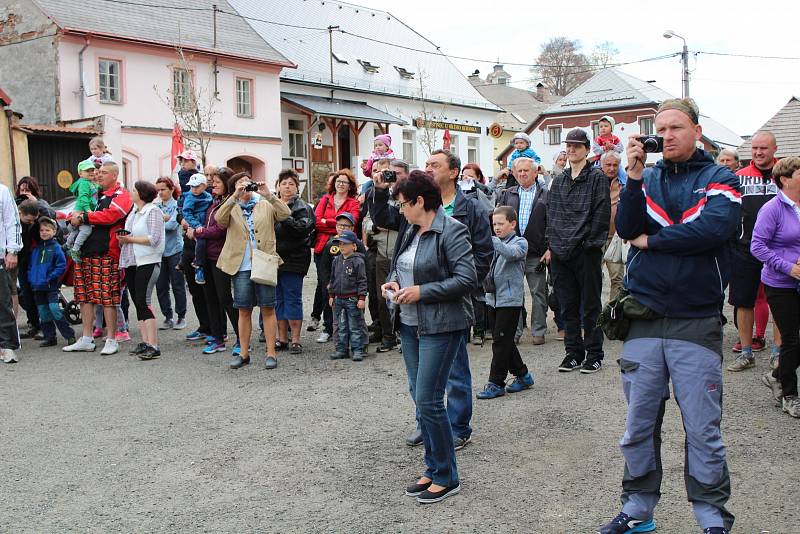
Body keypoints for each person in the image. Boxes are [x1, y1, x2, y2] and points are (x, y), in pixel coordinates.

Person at [598, 98, 739, 534]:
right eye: (661, 128)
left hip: (695, 320)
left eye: (677, 127)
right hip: (643, 318)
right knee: (638, 426)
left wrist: (655, 242)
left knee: (702, 430)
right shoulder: (648, 176)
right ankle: (638, 509)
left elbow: (714, 229)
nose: (668, 135)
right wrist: (635, 176)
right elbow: (627, 228)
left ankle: (712, 517)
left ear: (697, 130)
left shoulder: (720, 177)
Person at [370, 149, 492, 450]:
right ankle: (428, 423)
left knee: (456, 372)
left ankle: (458, 427)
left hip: (448, 308)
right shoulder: (412, 217)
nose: (428, 168)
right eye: (426, 164)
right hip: (413, 313)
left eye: (434, 165)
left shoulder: (469, 209)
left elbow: (481, 257)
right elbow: (398, 246)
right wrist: (379, 188)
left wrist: (453, 286)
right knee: (420, 382)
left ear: (453, 172)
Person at [381, 170, 476, 504]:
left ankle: (447, 476)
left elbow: (466, 279)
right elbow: (400, 266)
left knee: (431, 400)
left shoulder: (452, 230)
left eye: (403, 204)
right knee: (422, 399)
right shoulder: (410, 229)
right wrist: (393, 282)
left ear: (420, 201)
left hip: (441, 325)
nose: (400, 210)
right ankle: (433, 468)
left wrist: (422, 292)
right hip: (409, 324)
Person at [547, 128, 610, 374]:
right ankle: (573, 353)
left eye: (576, 145)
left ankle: (594, 354)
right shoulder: (559, 181)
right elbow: (551, 215)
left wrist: (589, 245)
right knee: (568, 306)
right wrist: (552, 244)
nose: (571, 149)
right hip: (561, 253)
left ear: (586, 148)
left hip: (585, 252)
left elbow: (601, 215)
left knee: (591, 305)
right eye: (569, 146)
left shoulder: (597, 178)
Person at [216, 172, 290, 370]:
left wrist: (269, 194)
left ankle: (271, 353)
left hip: (263, 261)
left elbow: (285, 214)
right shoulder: (231, 206)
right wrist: (234, 197)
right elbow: (219, 220)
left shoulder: (264, 202)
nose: (245, 187)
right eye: (240, 184)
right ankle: (244, 353)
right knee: (243, 309)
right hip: (240, 265)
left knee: (268, 307)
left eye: (247, 183)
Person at [63, 162, 133, 356]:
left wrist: (84, 217)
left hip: (106, 253)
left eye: (103, 173)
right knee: (84, 296)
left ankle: (112, 338)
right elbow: (77, 211)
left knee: (108, 297)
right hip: (85, 252)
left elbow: (112, 215)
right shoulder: (94, 194)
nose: (98, 175)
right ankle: (86, 338)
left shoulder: (121, 195)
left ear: (114, 176)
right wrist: (74, 216)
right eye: (97, 172)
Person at [750, 156, 800, 418]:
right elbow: (757, 246)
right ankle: (790, 395)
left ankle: (776, 374)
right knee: (791, 339)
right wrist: (788, 267)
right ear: (785, 179)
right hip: (781, 283)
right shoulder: (772, 209)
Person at [728, 131, 780, 371]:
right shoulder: (739, 177)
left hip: (779, 250)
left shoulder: (787, 175)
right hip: (745, 248)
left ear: (774, 149)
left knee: (780, 301)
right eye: (755, 148)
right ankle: (746, 352)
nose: (759, 153)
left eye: (764, 148)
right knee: (743, 301)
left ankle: (779, 353)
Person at [477, 206, 534, 399]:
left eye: (501, 224)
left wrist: (490, 239)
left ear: (513, 224)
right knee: (504, 341)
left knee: (500, 344)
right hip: (492, 299)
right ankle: (523, 375)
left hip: (510, 301)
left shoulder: (520, 242)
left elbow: (511, 253)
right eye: (494, 224)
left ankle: (496, 383)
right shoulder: (494, 243)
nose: (497, 228)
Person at [496, 157, 549, 345]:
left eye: (526, 170)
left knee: (539, 293)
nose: (522, 174)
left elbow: (552, 222)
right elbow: (498, 221)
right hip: (512, 253)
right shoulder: (507, 194)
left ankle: (538, 330)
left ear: (535, 173)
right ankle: (514, 332)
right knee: (513, 294)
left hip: (537, 253)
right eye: (519, 171)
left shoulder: (545, 194)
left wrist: (549, 248)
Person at [311, 169, 361, 343]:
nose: (341, 184)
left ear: (350, 185)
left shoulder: (353, 202)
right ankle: (328, 327)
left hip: (347, 248)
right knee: (327, 288)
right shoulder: (325, 200)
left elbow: (352, 223)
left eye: (344, 182)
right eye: (338, 181)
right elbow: (317, 221)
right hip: (322, 248)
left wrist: (328, 222)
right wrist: (338, 225)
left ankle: (348, 328)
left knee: (347, 289)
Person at [117, 181, 165, 360]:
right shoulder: (134, 212)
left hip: (148, 260)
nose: (131, 192)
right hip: (132, 261)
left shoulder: (153, 211)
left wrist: (130, 239)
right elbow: (130, 234)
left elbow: (154, 238)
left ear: (142, 193)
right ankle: (145, 342)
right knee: (138, 301)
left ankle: (154, 344)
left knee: (143, 300)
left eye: (135, 190)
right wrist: (124, 239)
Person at [193, 168, 239, 355]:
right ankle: (218, 338)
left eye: (217, 182)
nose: (213, 185)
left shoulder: (230, 203)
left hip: (223, 256)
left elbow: (221, 229)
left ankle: (241, 338)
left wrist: (201, 231)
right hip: (208, 256)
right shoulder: (214, 203)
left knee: (226, 298)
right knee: (211, 298)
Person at [274, 169, 315, 354]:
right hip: (274, 258)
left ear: (297, 187)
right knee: (278, 299)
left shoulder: (302, 207)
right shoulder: (270, 205)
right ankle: (281, 338)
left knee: (293, 298)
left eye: (291, 183)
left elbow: (302, 229)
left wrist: (284, 215)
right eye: (284, 183)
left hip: (295, 259)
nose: (287, 187)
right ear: (278, 186)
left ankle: (296, 340)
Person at [362, 158, 400, 352]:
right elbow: (368, 221)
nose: (386, 176)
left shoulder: (406, 196)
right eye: (378, 171)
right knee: (381, 297)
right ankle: (387, 335)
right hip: (382, 253)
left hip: (400, 253)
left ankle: (400, 333)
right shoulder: (374, 194)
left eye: (389, 172)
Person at [26, 217, 75, 348]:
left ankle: (69, 335)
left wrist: (50, 277)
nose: (44, 232)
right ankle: (50, 337)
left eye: (47, 230)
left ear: (54, 232)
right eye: (42, 230)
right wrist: (32, 279)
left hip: (50, 285)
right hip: (37, 286)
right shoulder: (36, 249)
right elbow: (31, 267)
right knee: (43, 312)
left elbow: (61, 266)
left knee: (54, 309)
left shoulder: (56, 248)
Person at [15, 176, 53, 337]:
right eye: (22, 190)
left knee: (40, 293)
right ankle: (34, 324)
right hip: (22, 258)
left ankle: (46, 327)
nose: (24, 193)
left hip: (38, 257)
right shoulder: (17, 206)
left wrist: (34, 202)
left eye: (27, 190)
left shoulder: (41, 205)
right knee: (26, 293)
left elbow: (51, 216)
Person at [327, 230, 368, 361]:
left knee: (355, 325)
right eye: (340, 244)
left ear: (354, 246)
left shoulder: (358, 261)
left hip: (352, 299)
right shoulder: (336, 261)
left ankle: (357, 349)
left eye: (345, 243)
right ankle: (342, 349)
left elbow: (362, 281)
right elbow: (332, 279)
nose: (342, 246)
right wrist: (331, 295)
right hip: (339, 299)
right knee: (341, 325)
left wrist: (361, 298)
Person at [154, 177, 186, 330]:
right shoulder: (155, 206)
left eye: (163, 189)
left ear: (171, 189)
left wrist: (159, 221)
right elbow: (150, 226)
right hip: (159, 252)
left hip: (175, 250)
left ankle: (181, 316)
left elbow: (173, 225)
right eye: (158, 190)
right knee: (160, 286)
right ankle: (168, 316)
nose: (160, 193)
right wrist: (162, 219)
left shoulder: (177, 206)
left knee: (177, 285)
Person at [0, 182, 22, 363]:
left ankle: (7, 346)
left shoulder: (2, 191)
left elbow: (12, 222)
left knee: (2, 301)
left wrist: (12, 250)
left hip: (0, 255)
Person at [601, 151, 625, 302]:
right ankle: (593, 317)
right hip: (596, 237)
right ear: (602, 165)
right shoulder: (594, 181)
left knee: (617, 279)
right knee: (592, 278)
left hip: (615, 238)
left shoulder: (624, 183)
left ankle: (612, 316)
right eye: (608, 165)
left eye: (615, 165)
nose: (611, 168)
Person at [181, 173, 213, 285]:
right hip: (196, 223)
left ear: (204, 186)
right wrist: (196, 224)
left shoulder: (208, 196)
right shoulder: (190, 197)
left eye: (197, 186)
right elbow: (186, 213)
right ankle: (198, 264)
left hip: (205, 224)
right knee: (201, 242)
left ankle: (183, 262)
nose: (194, 189)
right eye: (192, 186)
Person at [65, 160, 98, 261]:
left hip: (81, 210)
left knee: (76, 230)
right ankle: (75, 249)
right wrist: (88, 210)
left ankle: (67, 245)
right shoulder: (84, 183)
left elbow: (98, 189)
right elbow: (83, 197)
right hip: (81, 211)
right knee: (86, 230)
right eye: (87, 170)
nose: (91, 172)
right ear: (80, 173)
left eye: (92, 169)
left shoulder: (90, 182)